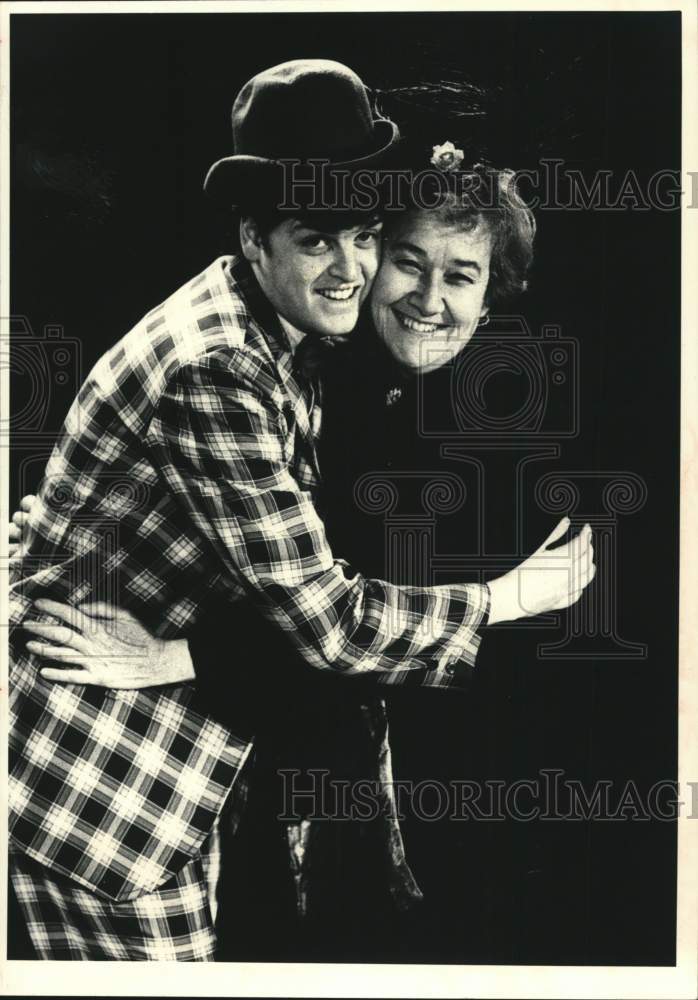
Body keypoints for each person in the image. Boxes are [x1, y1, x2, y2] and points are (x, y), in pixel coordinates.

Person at [11, 138, 596, 960]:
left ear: (491, 297)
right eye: (405, 260)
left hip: (402, 787)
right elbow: (321, 617)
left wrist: (177, 651)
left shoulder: (494, 415)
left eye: (460, 275)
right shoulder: (319, 368)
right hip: (198, 778)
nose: (427, 297)